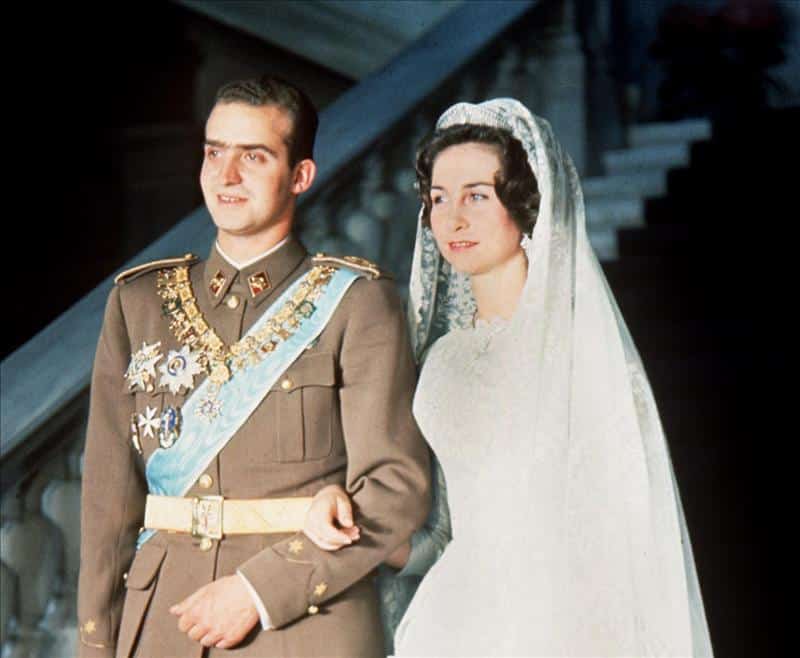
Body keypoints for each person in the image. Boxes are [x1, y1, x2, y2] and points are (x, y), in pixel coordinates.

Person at [303, 98, 714, 657]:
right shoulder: (441, 359)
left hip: (562, 625)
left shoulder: (577, 348)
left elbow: (623, 537)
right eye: (438, 198)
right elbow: (439, 536)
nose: (452, 219)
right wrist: (354, 527)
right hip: (451, 621)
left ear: (525, 207)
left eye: (477, 195)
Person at [76, 75, 430, 658]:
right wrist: (95, 644)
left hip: (301, 628)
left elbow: (395, 491)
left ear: (300, 176)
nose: (226, 175)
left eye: (254, 156)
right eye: (214, 153)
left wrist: (258, 592)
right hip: (162, 623)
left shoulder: (355, 302)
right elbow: (107, 502)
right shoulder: (138, 303)